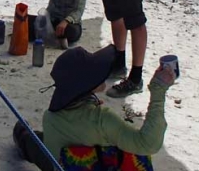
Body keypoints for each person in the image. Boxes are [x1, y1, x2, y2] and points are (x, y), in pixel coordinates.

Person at [13, 45, 175, 170]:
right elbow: (148, 144)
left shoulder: (50, 118)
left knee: (37, 143)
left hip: (61, 162)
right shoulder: (102, 119)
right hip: (101, 163)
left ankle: (22, 134)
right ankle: (23, 135)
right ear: (85, 84)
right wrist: (158, 90)